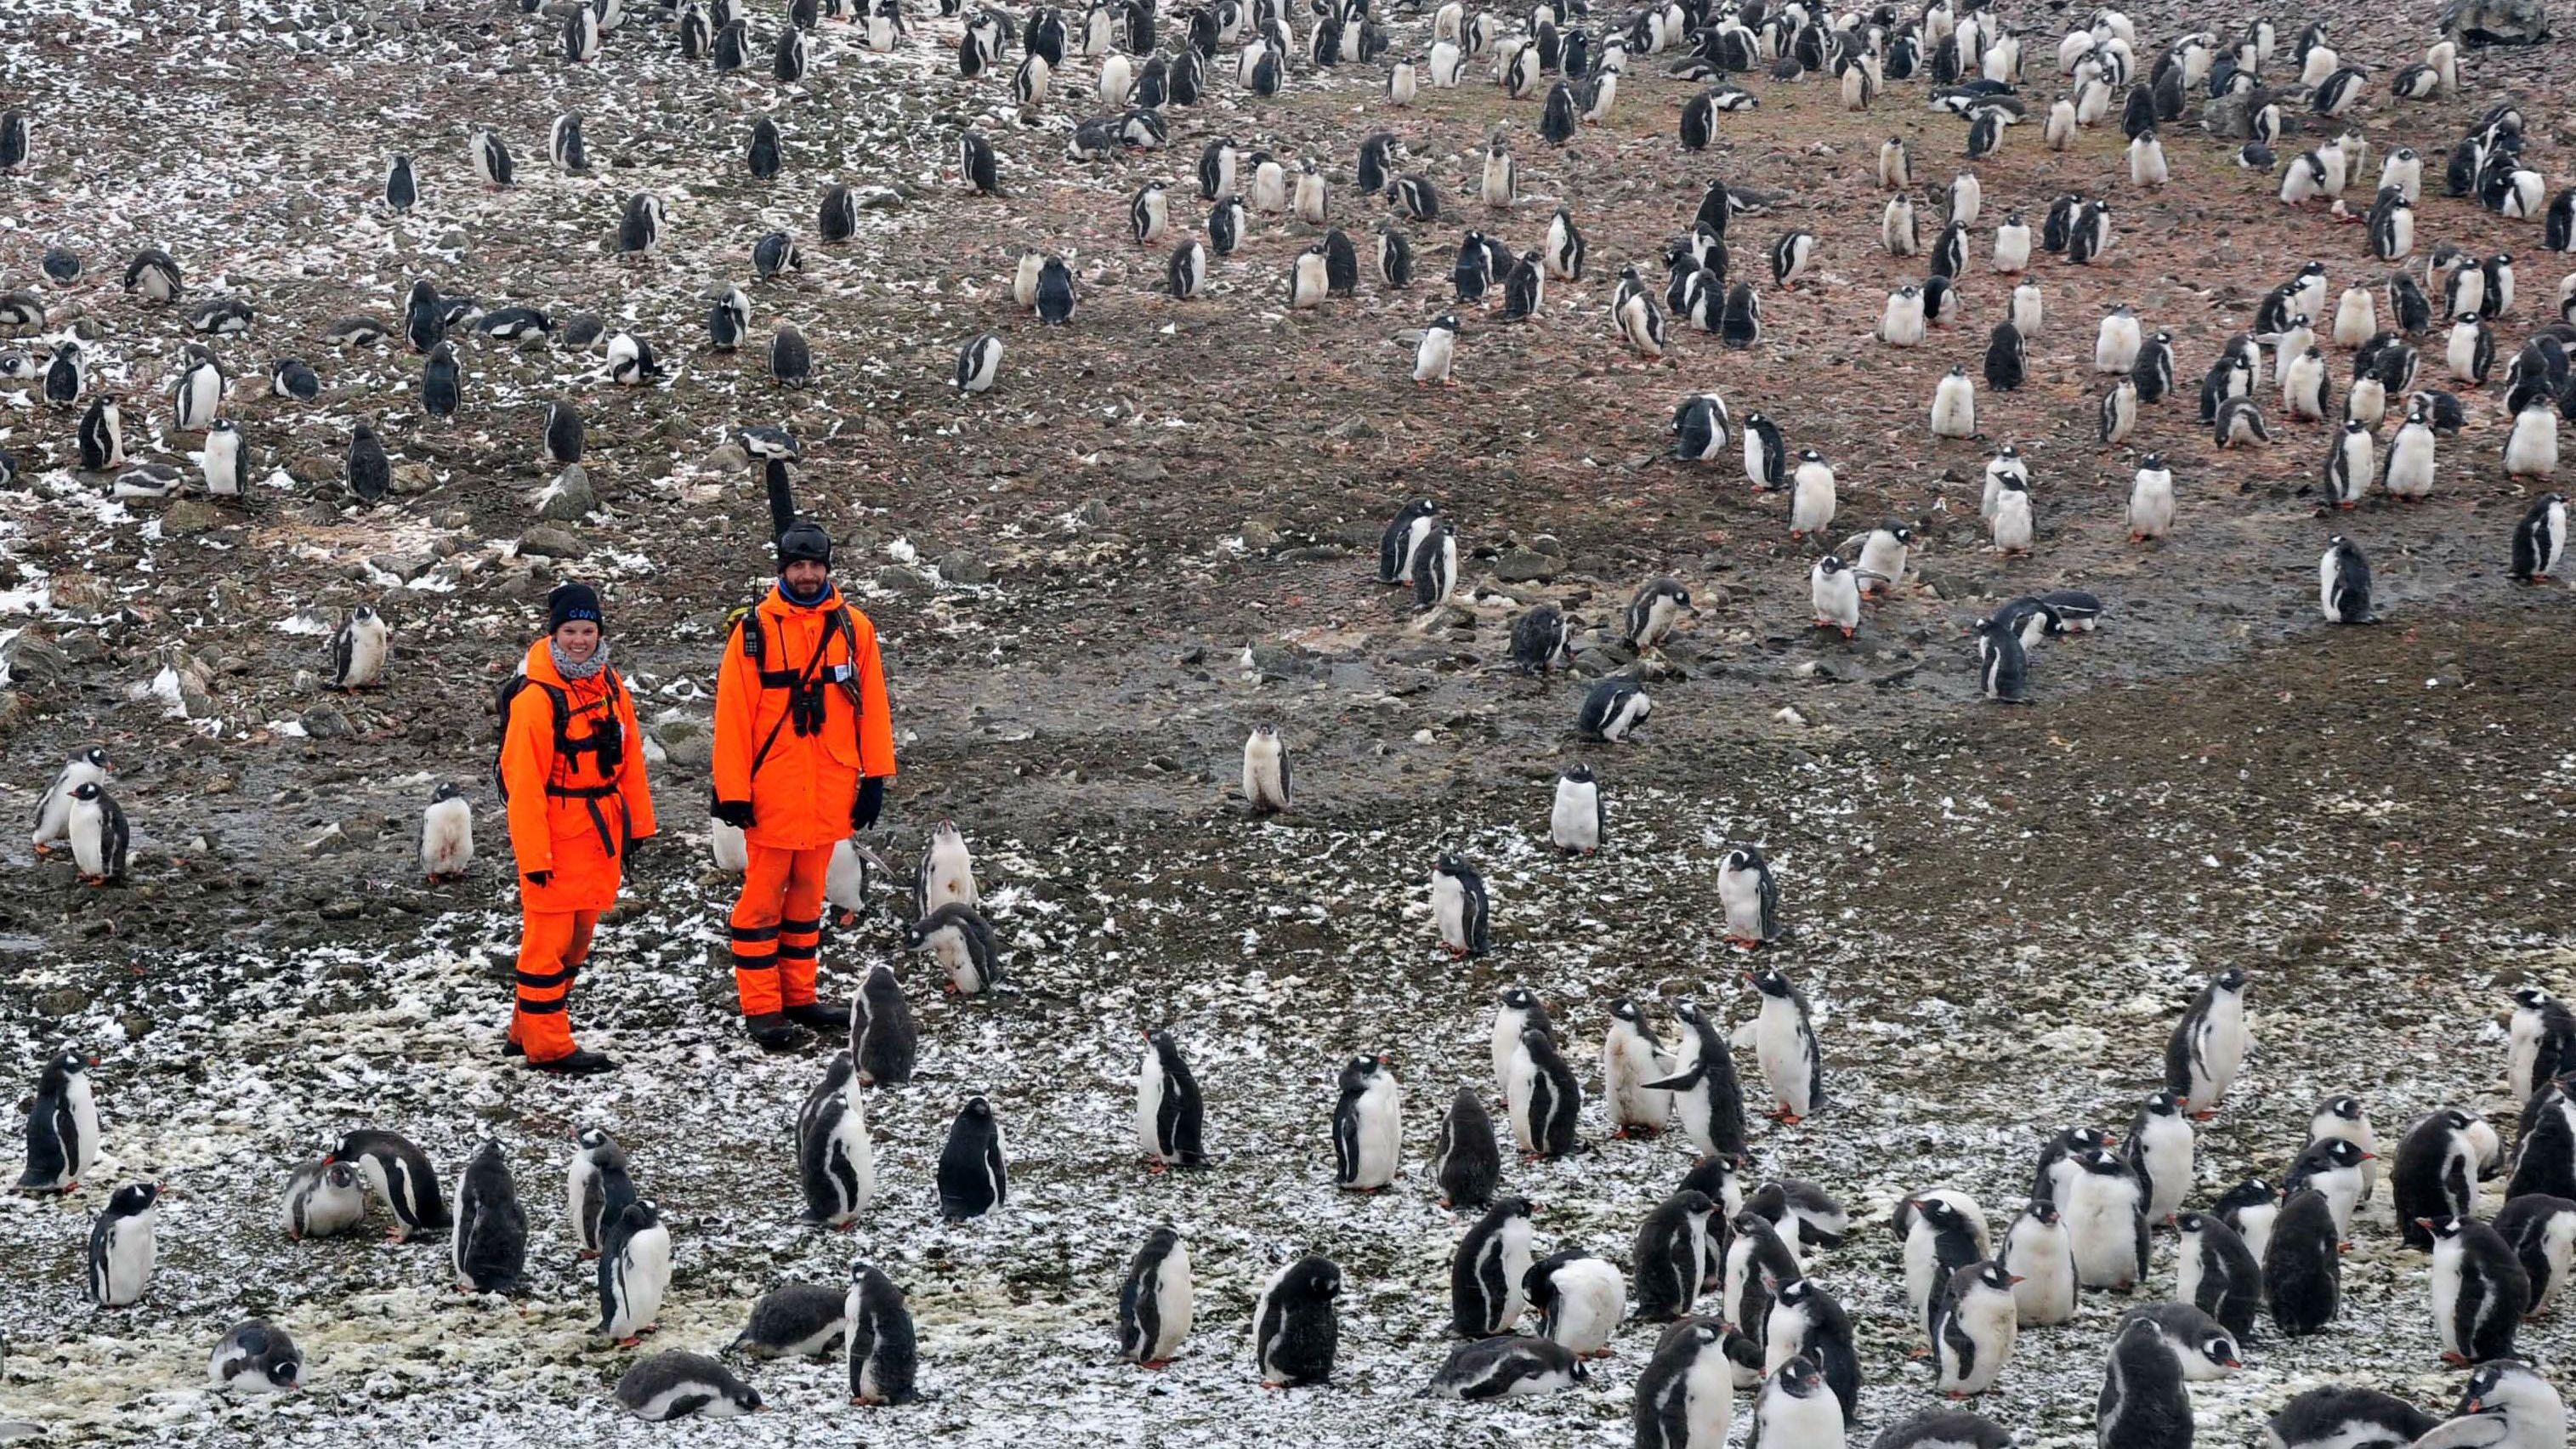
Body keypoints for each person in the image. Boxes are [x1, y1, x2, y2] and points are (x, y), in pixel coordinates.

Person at [712, 517, 896, 1049]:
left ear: (828, 567)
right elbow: (732, 716)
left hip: (830, 786)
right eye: (799, 565)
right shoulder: (754, 631)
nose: (808, 575)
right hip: (772, 789)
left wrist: (875, 776)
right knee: (761, 902)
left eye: (816, 565)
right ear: (783, 569)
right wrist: (733, 791)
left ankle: (800, 995)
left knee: (808, 897)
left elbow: (874, 706)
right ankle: (762, 1008)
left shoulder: (853, 626)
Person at [498, 582, 656, 1074]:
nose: (579, 640)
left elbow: (630, 758)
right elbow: (523, 786)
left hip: (599, 833)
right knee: (547, 945)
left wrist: (638, 825)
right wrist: (534, 857)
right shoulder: (536, 699)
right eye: (570, 630)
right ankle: (549, 1046)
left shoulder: (609, 684)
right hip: (555, 836)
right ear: (554, 633)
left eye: (588, 630)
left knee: (578, 940)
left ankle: (526, 1027)